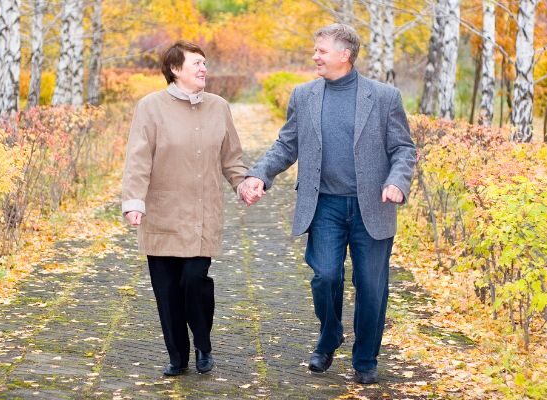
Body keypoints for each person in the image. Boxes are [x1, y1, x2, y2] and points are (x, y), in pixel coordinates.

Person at [239, 24, 416, 384]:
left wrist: (397, 182)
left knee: (371, 286)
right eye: (315, 49)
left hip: (372, 208)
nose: (314, 55)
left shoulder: (384, 97)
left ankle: (365, 358)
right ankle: (330, 333)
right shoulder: (303, 96)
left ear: (344, 55)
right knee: (325, 276)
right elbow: (287, 145)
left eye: (321, 50)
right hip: (324, 206)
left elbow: (403, 149)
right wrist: (259, 175)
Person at [121, 40, 248, 377]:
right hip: (161, 213)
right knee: (167, 292)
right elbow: (138, 159)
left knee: (194, 280)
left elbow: (232, 158)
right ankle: (178, 356)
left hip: (202, 215)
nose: (204, 68)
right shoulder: (150, 107)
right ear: (175, 69)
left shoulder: (219, 107)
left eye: (205, 63)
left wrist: (244, 183)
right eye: (196, 63)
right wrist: (133, 201)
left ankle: (203, 343)